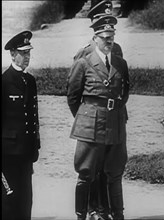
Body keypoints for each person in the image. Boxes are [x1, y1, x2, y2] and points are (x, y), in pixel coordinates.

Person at [67, 10, 129, 220]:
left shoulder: (120, 64)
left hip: (114, 124)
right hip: (90, 125)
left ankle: (116, 214)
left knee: (114, 172)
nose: (109, 42)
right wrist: (88, 116)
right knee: (86, 172)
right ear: (95, 38)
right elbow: (73, 96)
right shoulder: (84, 63)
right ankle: (82, 215)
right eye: (105, 38)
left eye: (112, 37)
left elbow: (124, 93)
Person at [2, 30, 41, 220]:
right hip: (7, 154)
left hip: (26, 152)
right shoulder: (4, 82)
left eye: (29, 53)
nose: (27, 57)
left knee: (26, 201)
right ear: (12, 54)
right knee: (9, 201)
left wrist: (36, 145)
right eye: (23, 53)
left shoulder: (30, 81)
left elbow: (34, 116)